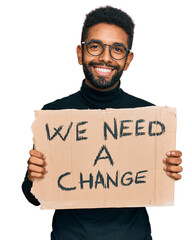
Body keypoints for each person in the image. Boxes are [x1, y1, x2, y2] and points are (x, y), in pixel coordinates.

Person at [22, 6, 183, 240]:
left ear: (128, 60)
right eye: (95, 46)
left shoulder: (151, 119)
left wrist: (167, 169)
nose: (105, 57)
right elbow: (34, 196)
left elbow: (153, 182)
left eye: (117, 49)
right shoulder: (54, 116)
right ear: (80, 53)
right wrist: (32, 176)